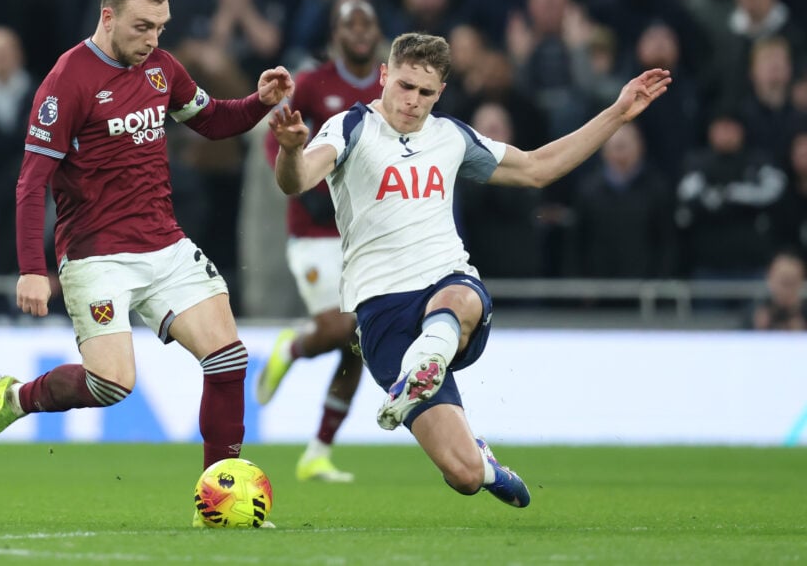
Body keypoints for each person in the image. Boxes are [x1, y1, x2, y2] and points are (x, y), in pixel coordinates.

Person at [270, 32, 671, 508]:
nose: (412, 102)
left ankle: (427, 361)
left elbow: (537, 168)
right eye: (403, 86)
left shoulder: (451, 137)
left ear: (439, 93)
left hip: (446, 283)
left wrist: (619, 112)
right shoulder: (350, 128)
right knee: (462, 476)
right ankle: (480, 457)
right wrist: (292, 150)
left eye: (425, 93)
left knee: (460, 297)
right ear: (383, 76)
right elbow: (297, 181)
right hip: (380, 311)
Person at [0, 0, 293, 516]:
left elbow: (210, 119)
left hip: (165, 243)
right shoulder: (67, 81)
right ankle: (13, 399)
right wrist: (31, 269)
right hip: (96, 255)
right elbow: (30, 182)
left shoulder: (161, 68)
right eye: (142, 26)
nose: (153, 39)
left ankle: (218, 495)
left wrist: (258, 102)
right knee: (113, 385)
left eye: (161, 26)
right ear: (108, 16)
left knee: (228, 359)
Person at [257, 0, 383, 483]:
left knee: (360, 343)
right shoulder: (312, 83)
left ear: (376, 34)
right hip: (313, 232)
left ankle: (317, 452)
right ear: (335, 33)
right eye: (349, 23)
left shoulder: (386, 87)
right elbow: (278, 140)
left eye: (366, 23)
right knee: (339, 329)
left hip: (362, 232)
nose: (358, 31)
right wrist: (301, 178)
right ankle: (291, 347)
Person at [745, 250, 806, 331]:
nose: (786, 290)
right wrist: (757, 330)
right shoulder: (755, 312)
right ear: (770, 279)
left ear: (801, 281)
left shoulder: (804, 315)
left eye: (791, 282)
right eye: (783, 282)